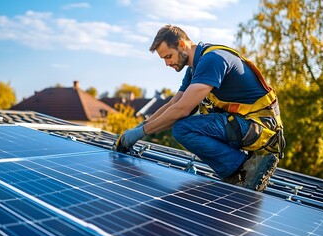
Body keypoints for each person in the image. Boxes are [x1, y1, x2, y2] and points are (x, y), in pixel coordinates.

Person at [119, 24, 285, 192]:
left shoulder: (212, 60)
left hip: (260, 128)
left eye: (168, 56)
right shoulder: (194, 69)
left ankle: (247, 169)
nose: (167, 63)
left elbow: (181, 110)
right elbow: (173, 105)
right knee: (183, 124)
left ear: (182, 45)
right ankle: (237, 171)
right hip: (245, 127)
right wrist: (138, 128)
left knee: (182, 128)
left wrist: (140, 134)